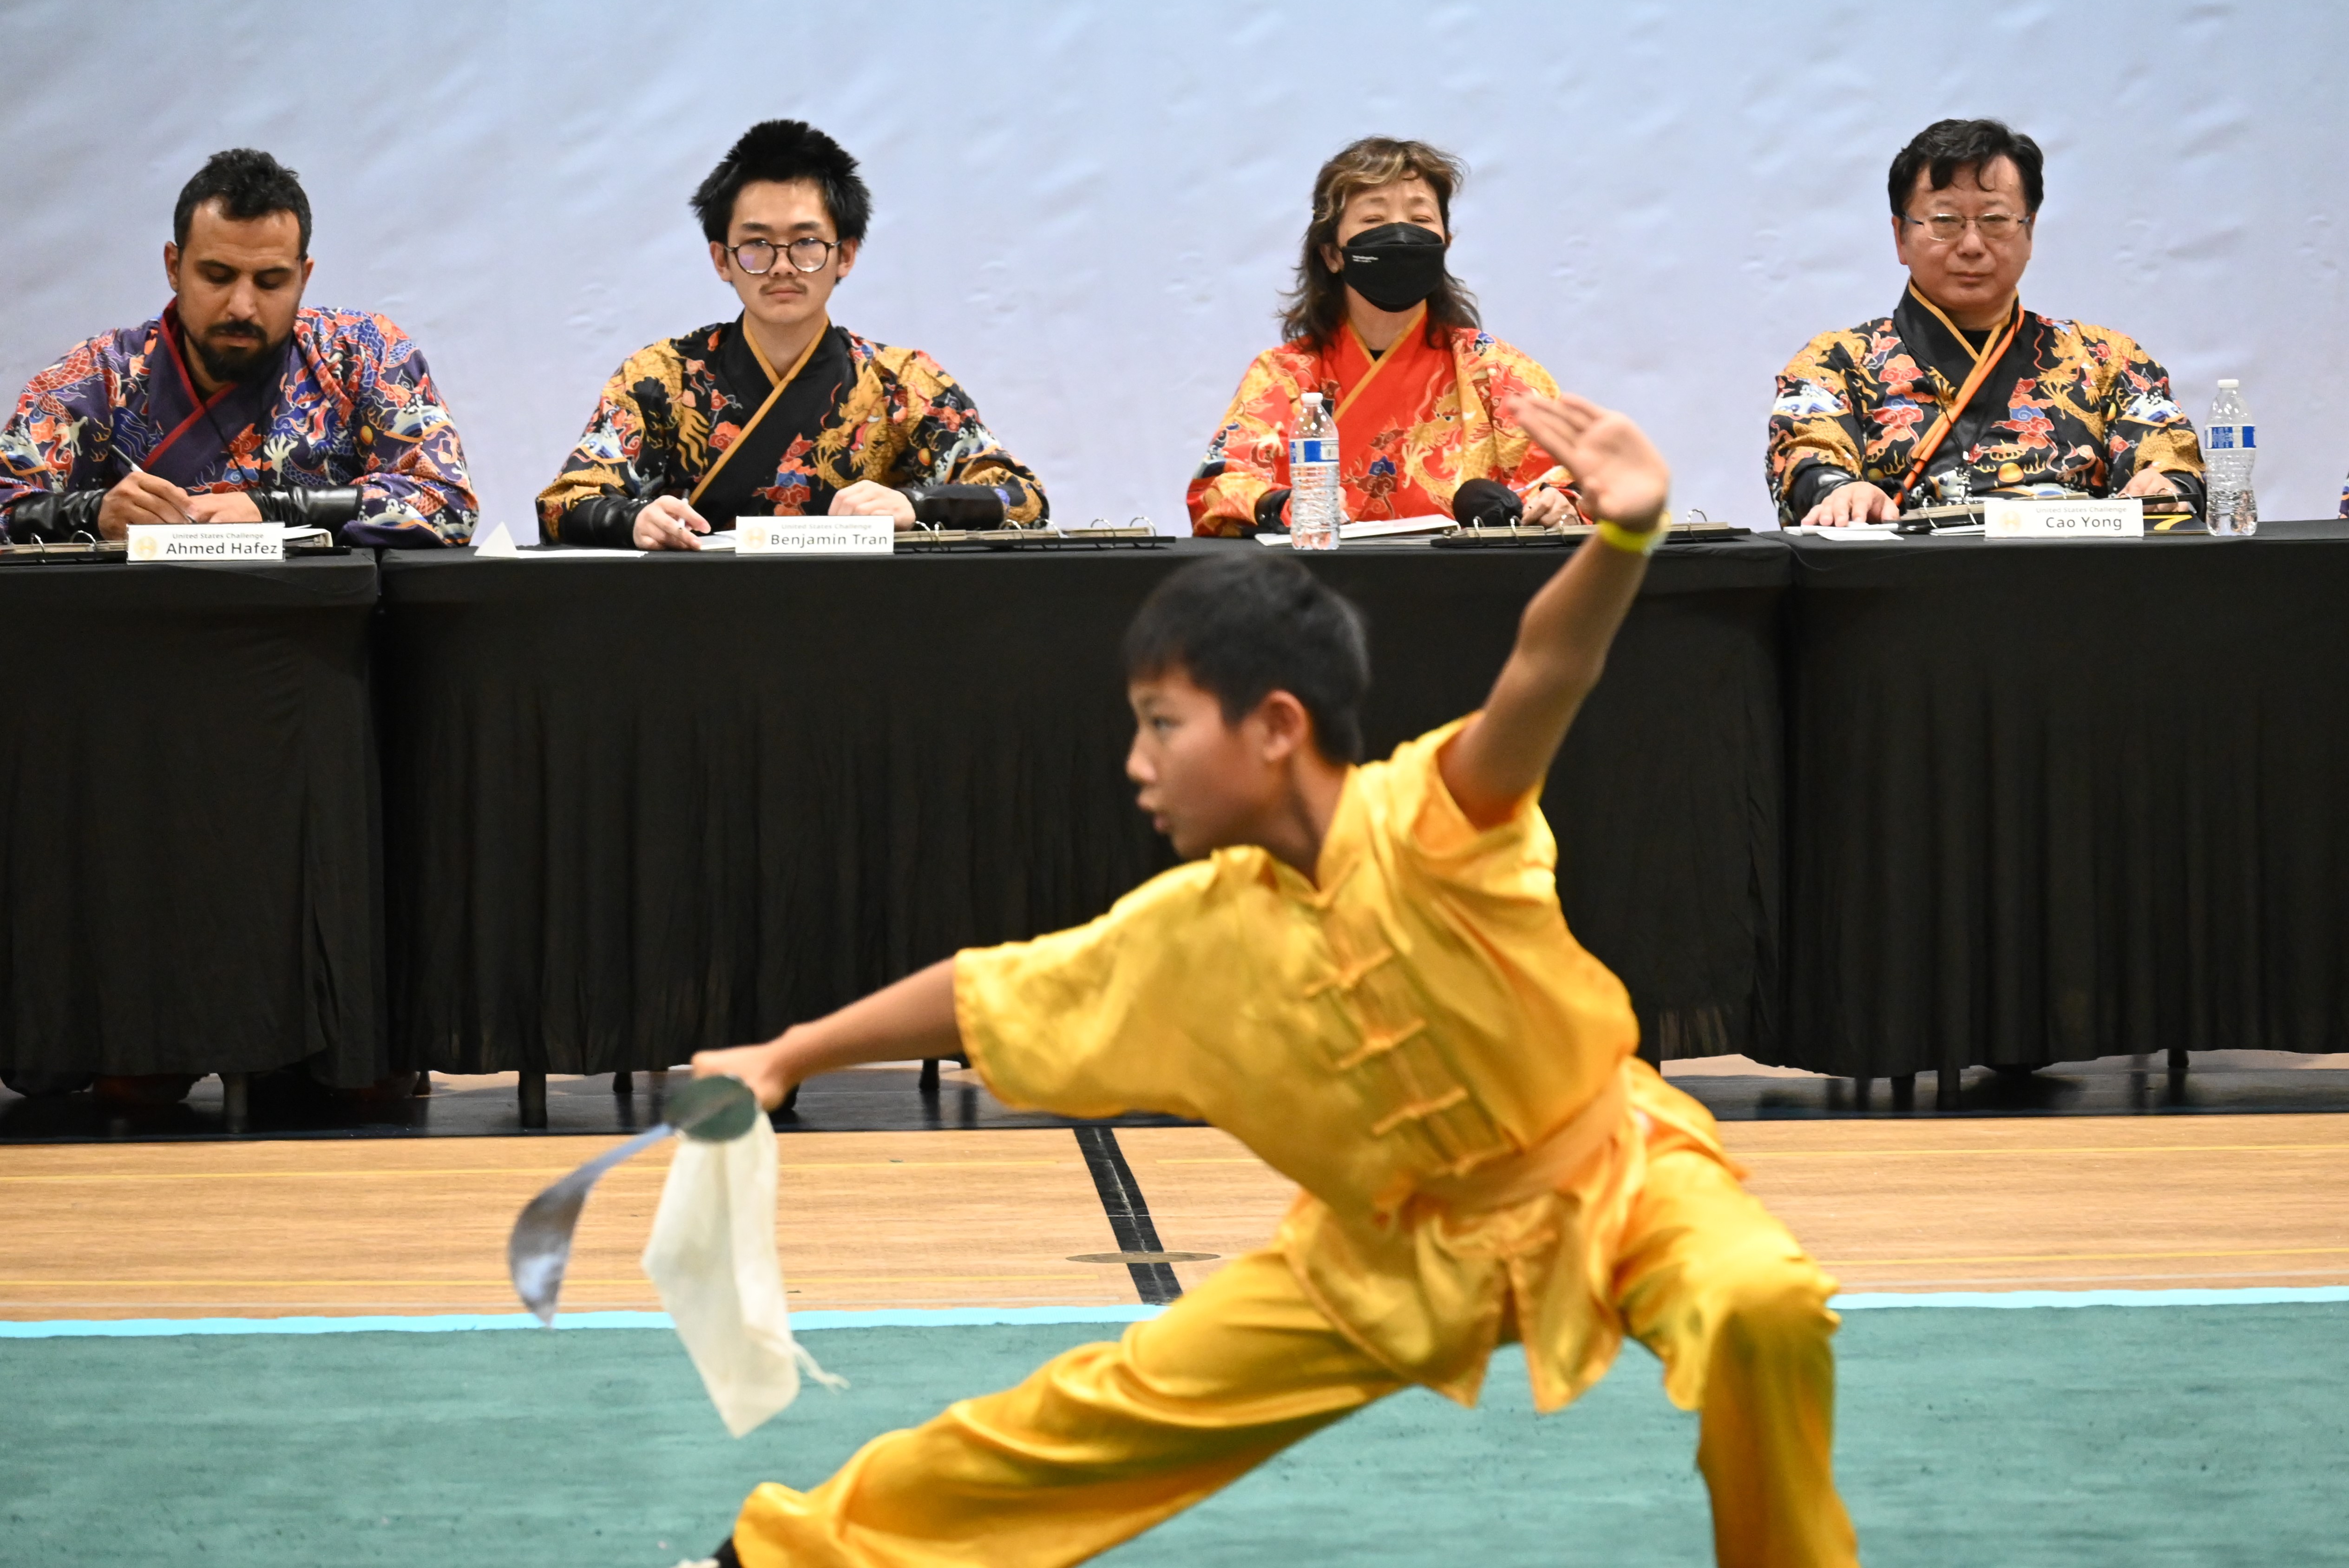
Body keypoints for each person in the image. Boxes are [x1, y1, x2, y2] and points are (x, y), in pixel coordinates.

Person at [690, 393, 1857, 1568]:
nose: (1136, 765)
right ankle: (789, 1556)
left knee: (1758, 1302)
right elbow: (986, 990)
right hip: (1388, 1250)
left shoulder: (1439, 819)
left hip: (1613, 1175)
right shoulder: (1194, 932)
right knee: (1102, 1412)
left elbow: (1548, 665)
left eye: (1162, 725)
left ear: (1275, 726)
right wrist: (787, 1053)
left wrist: (1623, 538)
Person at [538, 120, 1046, 549]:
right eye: (757, 244)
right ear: (722, 259)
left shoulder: (904, 383)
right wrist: (634, 520)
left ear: (845, 254)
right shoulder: (662, 378)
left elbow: (1022, 498)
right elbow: (565, 502)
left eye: (806, 242)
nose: (782, 265)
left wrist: (914, 505)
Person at [0, 149, 476, 546]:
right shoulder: (100, 376)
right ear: (174, 266)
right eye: (218, 276)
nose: (242, 307)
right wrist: (93, 512)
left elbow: (447, 505)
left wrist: (272, 509)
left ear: (304, 277)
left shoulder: (361, 355)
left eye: (271, 282)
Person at [1769, 118, 2203, 526]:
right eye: (1945, 222)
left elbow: (2170, 458)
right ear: (1900, 236)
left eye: (1995, 220)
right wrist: (1840, 492)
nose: (1972, 245)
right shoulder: (1837, 362)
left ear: (2029, 231)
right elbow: (1809, 458)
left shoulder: (2107, 359)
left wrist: (2166, 483)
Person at [1186, 137, 1582, 538]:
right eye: (1373, 220)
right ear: (1332, 254)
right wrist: (1280, 505)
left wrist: (1561, 503)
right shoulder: (1285, 374)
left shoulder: (1494, 369)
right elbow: (1220, 489)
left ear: (1445, 243)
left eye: (1421, 219)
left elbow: (1571, 479)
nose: (1401, 236)